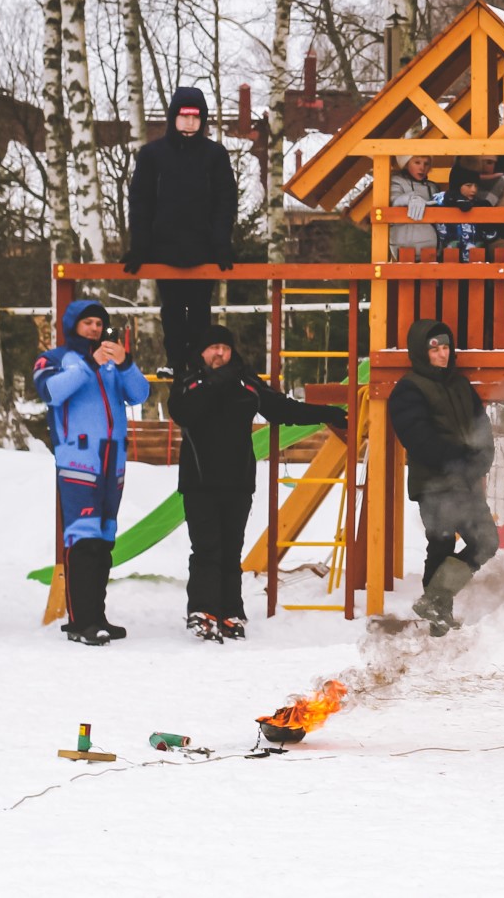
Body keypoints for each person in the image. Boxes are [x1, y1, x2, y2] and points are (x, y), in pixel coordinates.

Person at [167, 323, 347, 641]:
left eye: (225, 347)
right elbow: (184, 413)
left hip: (238, 480)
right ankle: (202, 610)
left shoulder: (246, 382)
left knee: (231, 550)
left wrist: (327, 413)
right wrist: (215, 383)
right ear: (202, 353)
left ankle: (231, 611)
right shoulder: (188, 381)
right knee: (207, 548)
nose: (220, 353)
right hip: (200, 481)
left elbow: (281, 408)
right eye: (213, 348)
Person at [34, 298, 151, 645]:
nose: (95, 330)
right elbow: (51, 392)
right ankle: (79, 621)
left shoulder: (113, 362)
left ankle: (96, 616)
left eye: (99, 324)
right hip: (78, 461)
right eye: (88, 324)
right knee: (82, 540)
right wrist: (88, 362)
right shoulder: (55, 359)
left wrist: (125, 362)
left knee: (103, 542)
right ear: (74, 326)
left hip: (112, 462)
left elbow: (140, 393)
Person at [389, 320, 498, 635]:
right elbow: (418, 438)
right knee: (440, 544)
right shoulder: (408, 389)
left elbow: (482, 428)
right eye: (434, 348)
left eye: (445, 346)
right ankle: (439, 617)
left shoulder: (461, 385)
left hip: (464, 482)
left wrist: (480, 461)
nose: (441, 353)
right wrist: (458, 461)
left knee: (486, 541)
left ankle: (435, 601)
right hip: (434, 483)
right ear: (422, 352)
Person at [126, 86, 237, 376]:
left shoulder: (215, 155)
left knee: (200, 309)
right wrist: (139, 246)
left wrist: (222, 243)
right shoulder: (153, 155)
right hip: (165, 249)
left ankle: (198, 364)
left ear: (203, 120)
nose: (189, 122)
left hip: (204, 250)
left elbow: (226, 201)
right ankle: (176, 362)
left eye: (195, 116)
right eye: (184, 115)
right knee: (172, 309)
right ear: (173, 117)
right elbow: (141, 202)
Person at [389, 154, 439, 260]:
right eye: (417, 162)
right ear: (406, 164)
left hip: (431, 251)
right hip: (404, 250)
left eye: (426, 163)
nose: (422, 167)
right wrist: (409, 199)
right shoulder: (396, 182)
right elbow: (394, 200)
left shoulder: (433, 187)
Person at [433, 166, 485, 262]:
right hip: (446, 262)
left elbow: (490, 236)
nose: (474, 190)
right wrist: (453, 198)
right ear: (457, 185)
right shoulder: (441, 200)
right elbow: (437, 201)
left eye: (476, 186)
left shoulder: (480, 204)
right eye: (468, 185)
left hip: (475, 262)